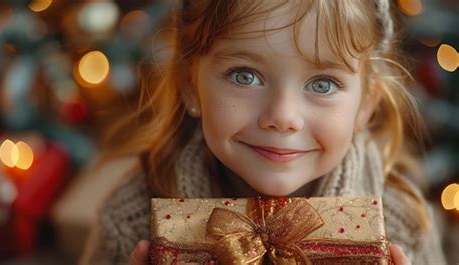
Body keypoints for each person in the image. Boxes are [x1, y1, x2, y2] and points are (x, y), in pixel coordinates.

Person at [80, 0, 447, 264]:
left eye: (322, 84)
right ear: (190, 87)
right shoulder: (129, 219)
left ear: (366, 104)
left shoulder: (404, 222)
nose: (283, 117)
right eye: (245, 75)